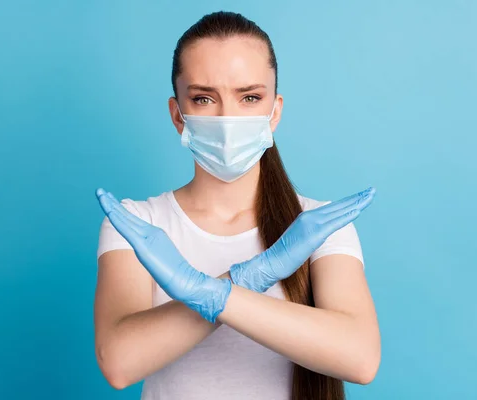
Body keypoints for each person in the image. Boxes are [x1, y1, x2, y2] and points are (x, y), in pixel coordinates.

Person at [94, 11, 380, 400]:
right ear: (178, 116)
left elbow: (360, 358)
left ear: (274, 111)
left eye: (249, 97)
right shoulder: (138, 224)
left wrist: (218, 294)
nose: (227, 118)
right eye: (203, 98)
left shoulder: (316, 227)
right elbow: (120, 362)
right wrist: (244, 282)